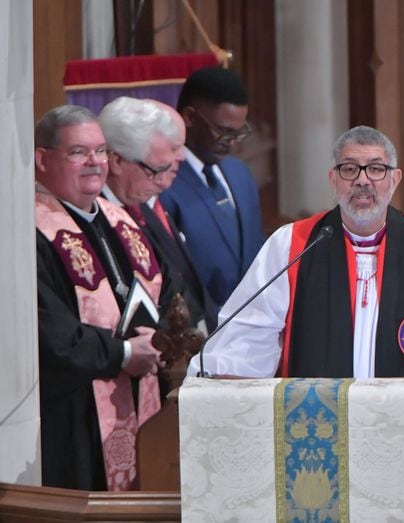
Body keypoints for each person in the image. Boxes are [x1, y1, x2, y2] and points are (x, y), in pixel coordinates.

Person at [187, 125, 404, 458]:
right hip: (312, 446)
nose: (363, 180)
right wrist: (218, 377)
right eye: (349, 169)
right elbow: (247, 339)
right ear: (333, 179)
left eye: (376, 169)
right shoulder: (292, 245)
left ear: (395, 179)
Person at [35, 105, 165, 490]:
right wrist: (123, 354)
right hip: (73, 416)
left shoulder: (121, 219)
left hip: (141, 397)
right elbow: (48, 332)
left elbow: (167, 292)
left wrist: (160, 341)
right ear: (43, 159)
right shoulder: (30, 232)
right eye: (78, 152)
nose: (95, 162)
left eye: (101, 151)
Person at [99, 96, 216, 333]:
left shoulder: (140, 202)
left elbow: (174, 282)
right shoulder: (95, 217)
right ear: (117, 161)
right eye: (155, 170)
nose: (176, 163)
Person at [159, 66, 266, 313]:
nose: (231, 142)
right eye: (223, 131)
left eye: (239, 133)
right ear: (189, 118)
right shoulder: (164, 181)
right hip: (198, 330)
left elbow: (254, 249)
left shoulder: (239, 173)